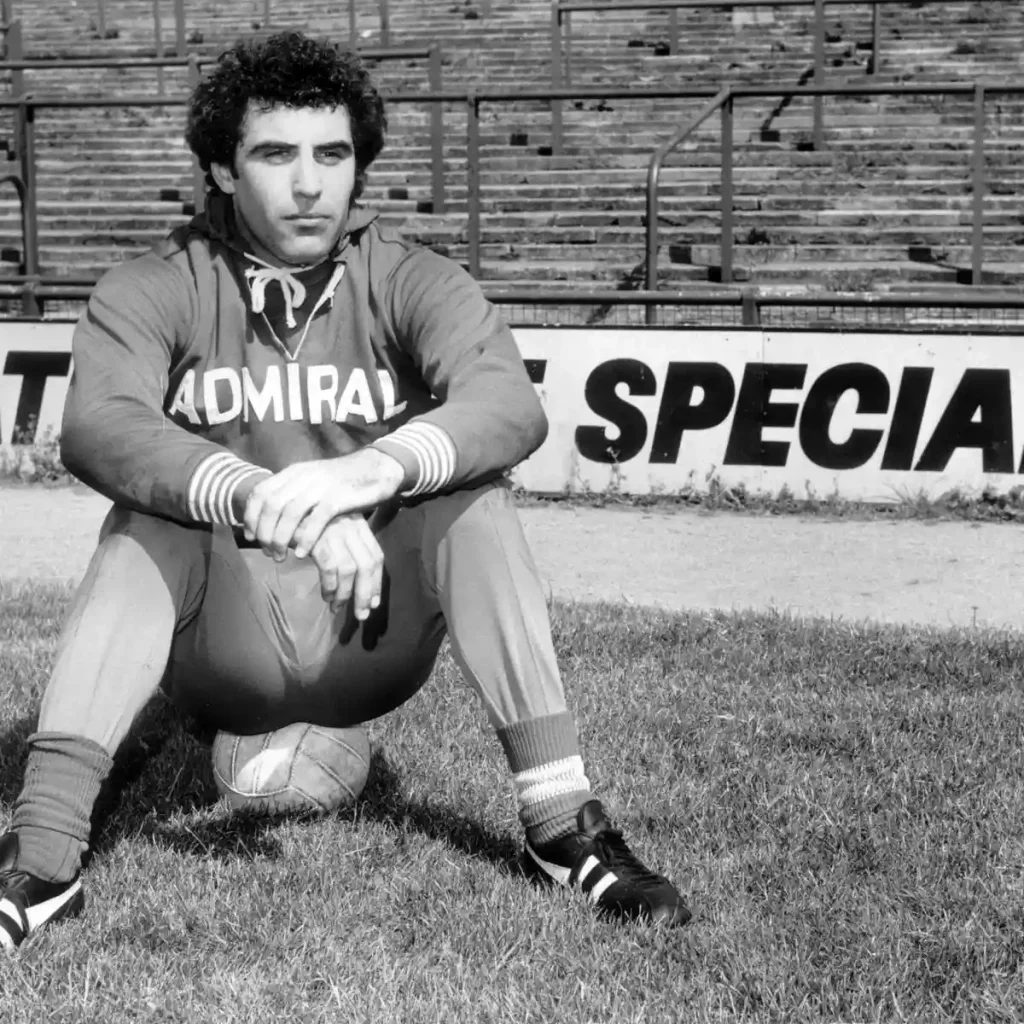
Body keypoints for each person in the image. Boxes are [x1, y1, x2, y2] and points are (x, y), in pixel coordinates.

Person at [0, 30, 690, 950]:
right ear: (219, 167)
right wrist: (259, 494)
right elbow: (99, 427)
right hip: (221, 641)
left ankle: (563, 826)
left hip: (370, 627)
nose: (309, 183)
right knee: (146, 519)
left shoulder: (407, 275)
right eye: (274, 154)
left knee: (470, 495)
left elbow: (506, 403)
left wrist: (368, 474)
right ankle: (43, 859)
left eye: (332, 154)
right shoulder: (155, 284)